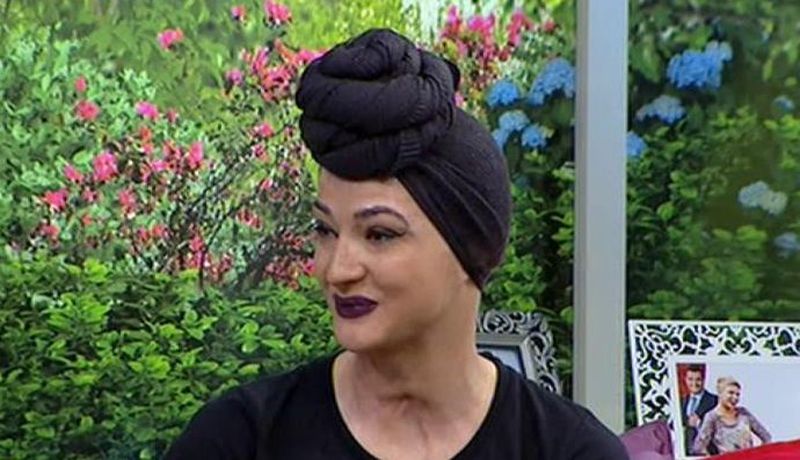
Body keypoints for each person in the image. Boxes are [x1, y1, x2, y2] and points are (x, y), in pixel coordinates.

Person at [165, 28, 628, 460]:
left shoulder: (570, 451)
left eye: (380, 234)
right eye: (325, 230)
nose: (338, 270)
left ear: (472, 248)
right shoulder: (238, 440)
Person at [692, 376, 771, 456]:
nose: (735, 397)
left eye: (737, 394)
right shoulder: (712, 417)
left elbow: (766, 437)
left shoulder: (744, 413)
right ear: (720, 393)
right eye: (731, 393)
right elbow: (698, 447)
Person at [680, 365, 718, 456]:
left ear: (704, 380)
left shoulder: (715, 400)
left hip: (708, 452)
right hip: (686, 452)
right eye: (690, 379)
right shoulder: (681, 402)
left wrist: (700, 423)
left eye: (698, 379)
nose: (694, 383)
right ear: (685, 380)